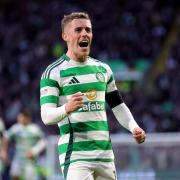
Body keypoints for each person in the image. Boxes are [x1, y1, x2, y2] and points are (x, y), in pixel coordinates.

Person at [40, 12, 146, 180]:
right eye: (78, 30)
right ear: (65, 36)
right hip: (76, 155)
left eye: (88, 30)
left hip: (105, 154)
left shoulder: (103, 69)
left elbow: (118, 106)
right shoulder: (53, 73)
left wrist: (134, 127)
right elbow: (46, 116)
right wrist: (67, 108)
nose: (84, 34)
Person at [1, 110, 46, 180]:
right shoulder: (16, 128)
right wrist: (3, 151)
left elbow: (43, 141)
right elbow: (6, 137)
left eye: (22, 117)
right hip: (18, 158)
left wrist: (34, 151)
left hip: (30, 160)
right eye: (19, 117)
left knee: (30, 177)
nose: (20, 119)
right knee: (14, 175)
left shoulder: (34, 129)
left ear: (27, 118)